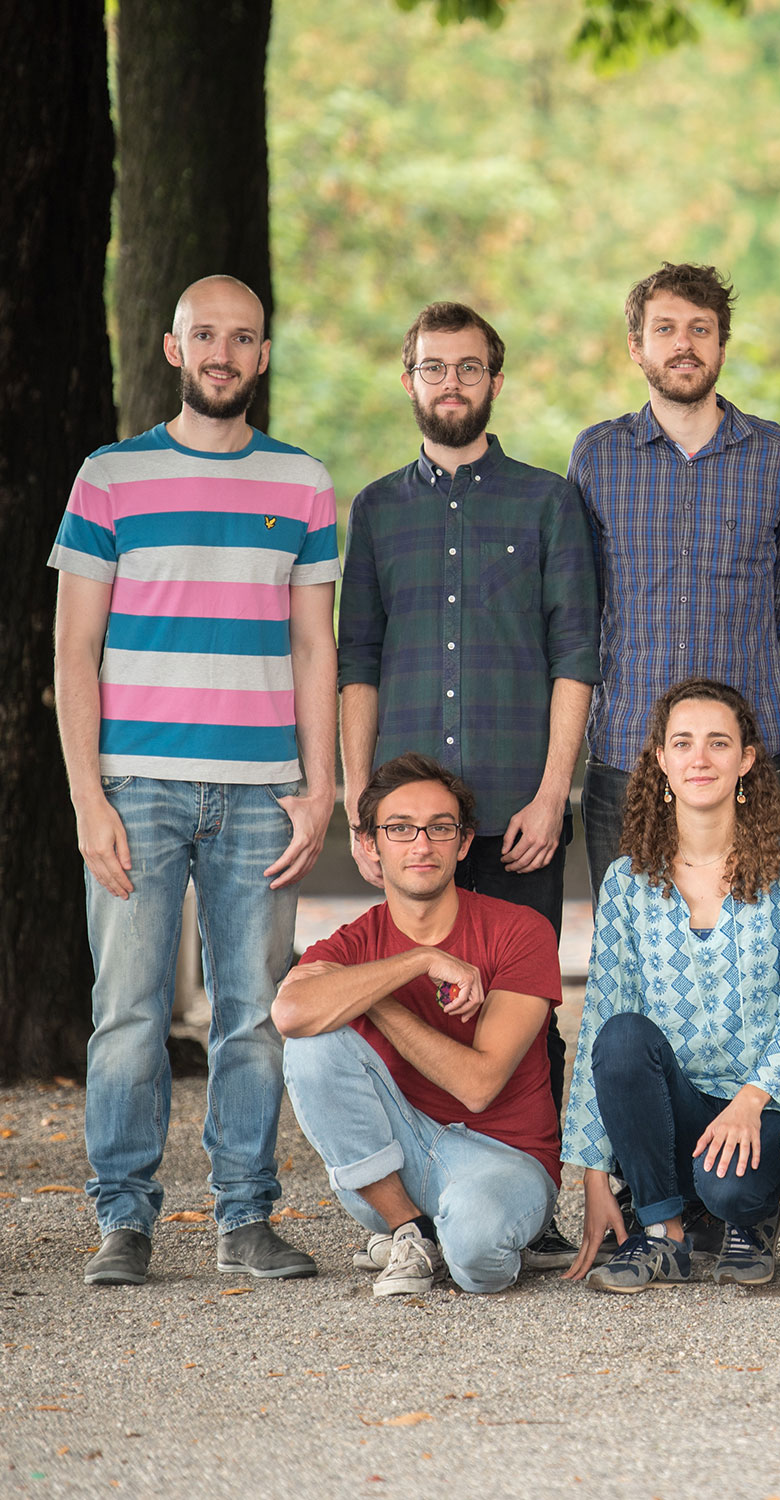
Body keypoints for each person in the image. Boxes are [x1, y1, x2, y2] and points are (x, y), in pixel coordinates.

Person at [57, 275, 339, 1287]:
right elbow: (73, 650)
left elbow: (317, 648)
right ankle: (122, 1224)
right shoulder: (109, 478)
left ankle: (244, 1218)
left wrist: (322, 787)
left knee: (251, 1015)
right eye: (204, 335)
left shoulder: (304, 483)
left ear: (263, 356)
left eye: (243, 337)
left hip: (263, 794)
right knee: (128, 1010)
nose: (223, 352)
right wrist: (90, 797)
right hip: (138, 788)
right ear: (174, 349)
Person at [338, 299, 599, 1268]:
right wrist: (360, 805)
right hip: (410, 823)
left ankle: (532, 1203)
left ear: (497, 379)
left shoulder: (546, 502)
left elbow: (576, 654)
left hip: (515, 807)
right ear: (408, 381)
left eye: (470, 367)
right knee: (399, 1001)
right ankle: (417, 1203)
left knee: (527, 1009)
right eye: (433, 368)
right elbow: (356, 659)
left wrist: (552, 791)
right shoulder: (376, 510)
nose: (452, 383)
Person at [558, 679, 780, 1293]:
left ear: (747, 759)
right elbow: (604, 1016)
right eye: (682, 743)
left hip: (772, 1107)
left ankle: (749, 1215)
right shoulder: (630, 881)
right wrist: (595, 1173)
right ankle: (664, 1235)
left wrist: (752, 1097)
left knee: (728, 1182)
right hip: (673, 1112)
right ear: (661, 760)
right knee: (622, 1036)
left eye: (718, 742)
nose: (699, 758)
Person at [272, 755, 562, 1296]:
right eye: (400, 828)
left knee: (476, 1254)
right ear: (369, 844)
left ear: (465, 842)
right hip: (393, 1161)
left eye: (440, 828)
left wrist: (370, 996)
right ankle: (409, 1229)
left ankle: (447, 1236)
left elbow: (478, 1087)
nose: (421, 844)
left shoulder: (521, 931)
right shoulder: (354, 941)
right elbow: (290, 1014)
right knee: (313, 1042)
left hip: (506, 1160)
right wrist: (417, 961)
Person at [570, 262, 780, 896]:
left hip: (747, 759)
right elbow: (584, 602)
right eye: (666, 328)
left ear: (722, 345)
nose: (684, 343)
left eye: (701, 329)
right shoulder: (597, 456)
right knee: (630, 959)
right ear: (637, 345)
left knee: (753, 951)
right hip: (628, 753)